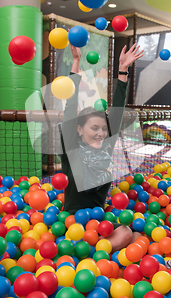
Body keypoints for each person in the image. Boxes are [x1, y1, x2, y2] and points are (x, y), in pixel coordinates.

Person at [59, 44, 143, 252]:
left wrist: (122, 70)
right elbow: (70, 107)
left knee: (137, 234)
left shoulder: (105, 146)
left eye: (103, 129)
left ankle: (87, 251)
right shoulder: (71, 147)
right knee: (127, 234)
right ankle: (87, 253)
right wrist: (76, 62)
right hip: (72, 222)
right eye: (94, 128)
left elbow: (117, 110)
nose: (100, 133)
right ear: (79, 130)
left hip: (97, 221)